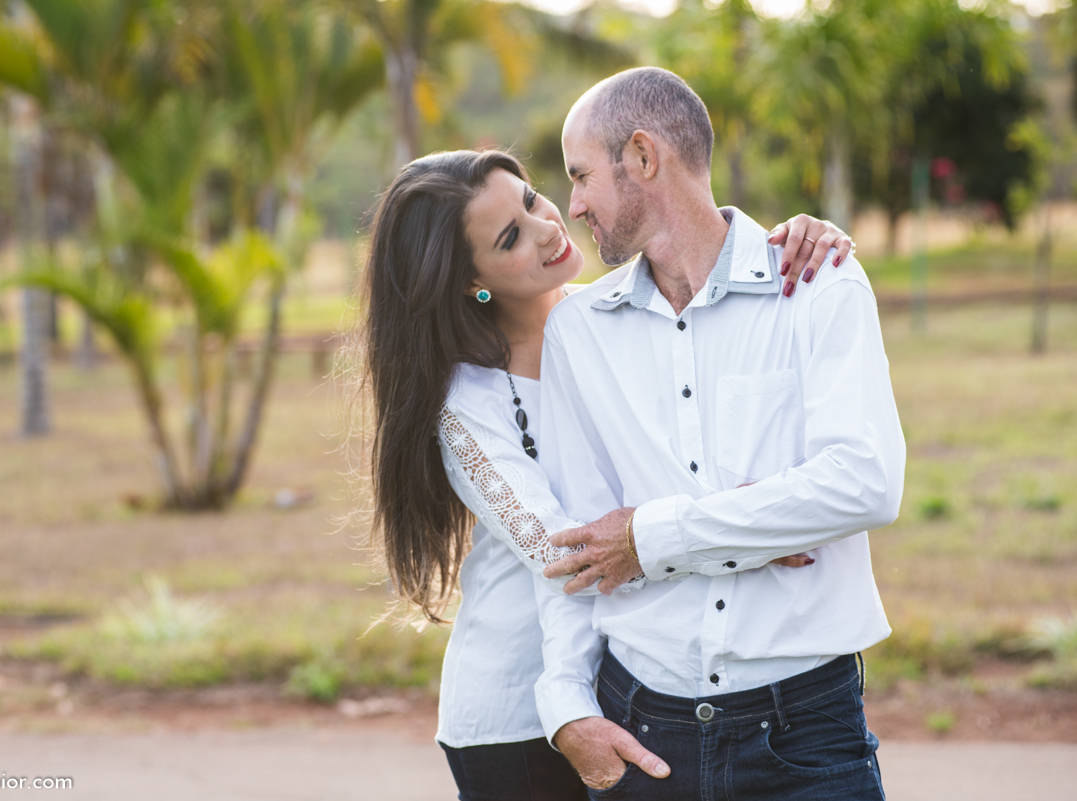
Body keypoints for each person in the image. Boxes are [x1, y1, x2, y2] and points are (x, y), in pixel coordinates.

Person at [356, 148, 854, 800]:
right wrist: (741, 530)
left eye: (533, 199)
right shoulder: (465, 408)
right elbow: (569, 552)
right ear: (467, 280)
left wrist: (814, 241)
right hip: (517, 721)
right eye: (510, 237)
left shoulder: (617, 319)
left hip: (634, 683)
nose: (546, 227)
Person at [530, 67, 905, 800]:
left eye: (580, 177)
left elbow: (863, 482)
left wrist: (653, 537)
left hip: (806, 736)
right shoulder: (577, 332)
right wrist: (567, 704)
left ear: (642, 157)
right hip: (642, 732)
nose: (571, 205)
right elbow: (580, 547)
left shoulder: (820, 285)